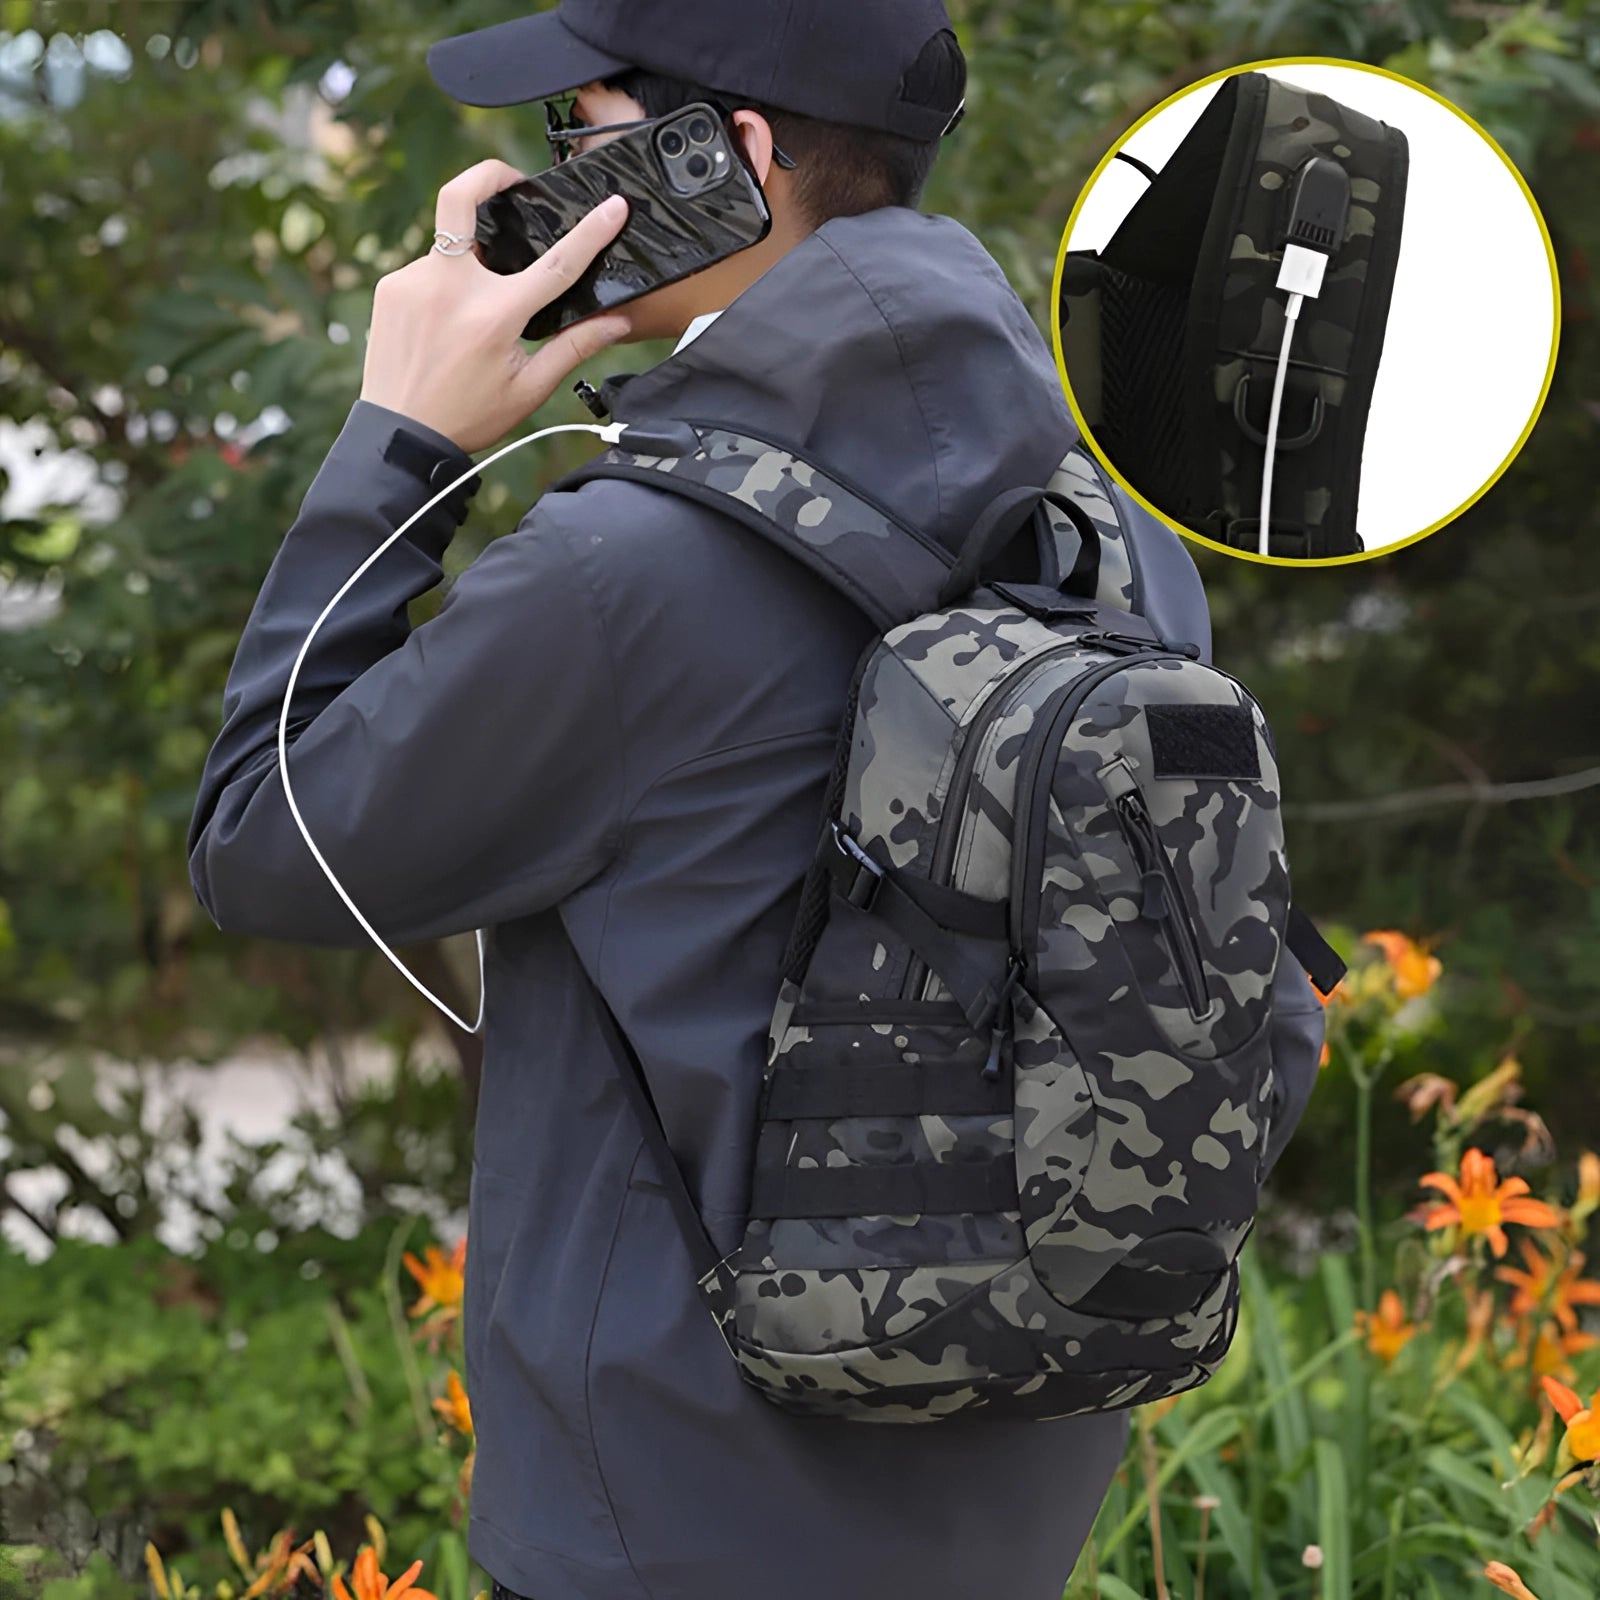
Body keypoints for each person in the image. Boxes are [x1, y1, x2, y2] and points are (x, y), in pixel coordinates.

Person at [188, 2, 1323, 1596]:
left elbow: (262, 841)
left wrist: (401, 443)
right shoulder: (1114, 531)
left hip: (663, 1525)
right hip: (1019, 1487)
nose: (538, 174)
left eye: (581, 127)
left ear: (727, 158)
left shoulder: (622, 574)